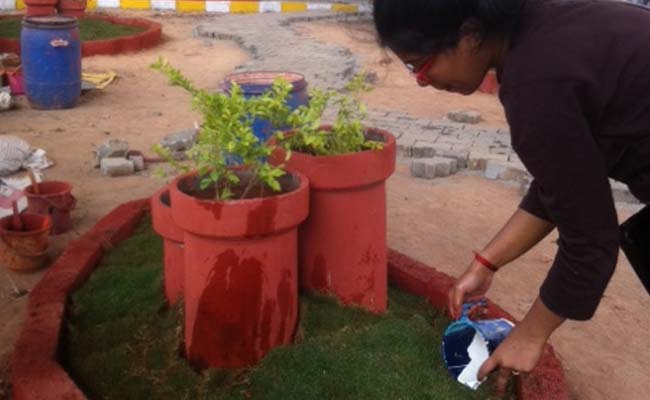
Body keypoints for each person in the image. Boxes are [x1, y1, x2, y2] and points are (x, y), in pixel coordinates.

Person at [373, 0, 650, 395]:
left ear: (469, 36)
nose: (420, 80)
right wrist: (487, 262)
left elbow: (590, 238)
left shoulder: (535, 81)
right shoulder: (547, 24)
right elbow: (565, 181)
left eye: (420, 63)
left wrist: (530, 335)